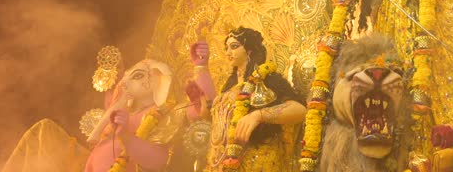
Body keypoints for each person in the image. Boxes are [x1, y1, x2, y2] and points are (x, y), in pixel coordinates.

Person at [188, 27, 306, 171]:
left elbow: (300, 110)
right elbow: (224, 125)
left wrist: (259, 115)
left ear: (249, 50)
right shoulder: (228, 86)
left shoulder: (265, 79)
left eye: (234, 46)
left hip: (254, 161)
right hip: (220, 162)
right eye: (226, 48)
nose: (228, 52)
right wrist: (204, 111)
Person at [84, 59, 181, 172]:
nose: (123, 82)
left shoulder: (160, 113)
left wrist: (125, 135)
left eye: (137, 76)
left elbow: (159, 160)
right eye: (125, 76)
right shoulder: (123, 111)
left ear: (156, 79)